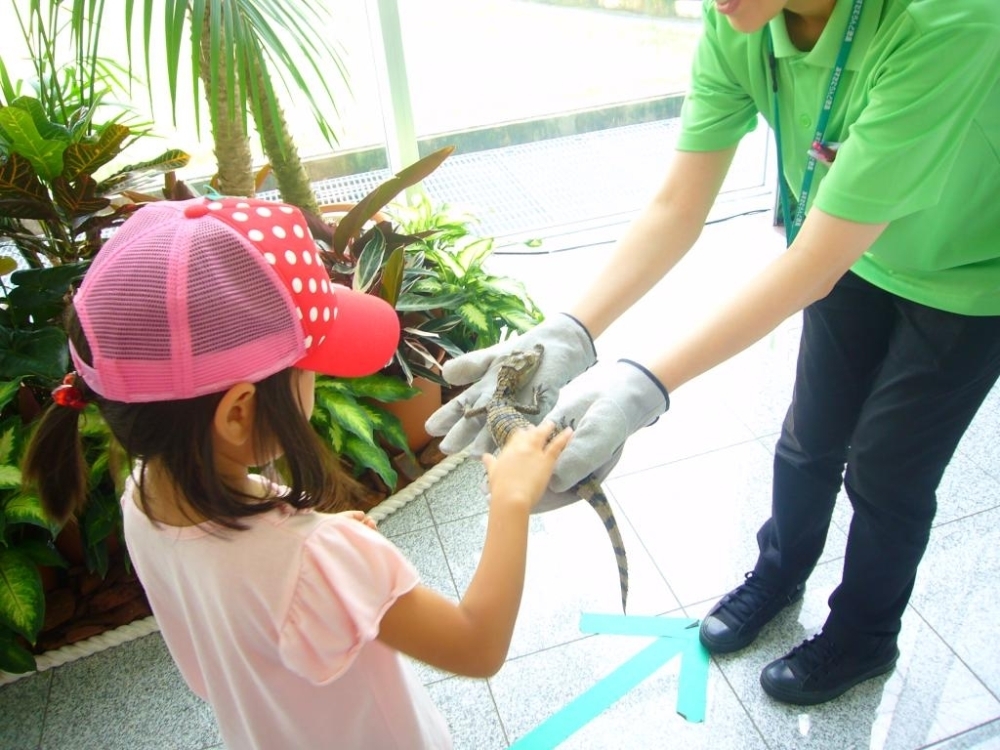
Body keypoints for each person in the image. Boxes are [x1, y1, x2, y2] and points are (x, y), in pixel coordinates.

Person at [426, 0, 1000, 706]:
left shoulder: (949, 17)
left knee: (889, 470)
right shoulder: (741, 21)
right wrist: (571, 333)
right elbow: (678, 206)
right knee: (808, 433)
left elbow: (814, 262)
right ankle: (781, 571)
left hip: (970, 273)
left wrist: (642, 387)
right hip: (854, 254)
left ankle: (865, 633)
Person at [23, 196, 573, 749]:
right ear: (239, 412)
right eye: (308, 365)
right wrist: (511, 500)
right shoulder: (312, 556)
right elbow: (475, 646)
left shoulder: (143, 495)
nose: (316, 378)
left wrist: (330, 559)